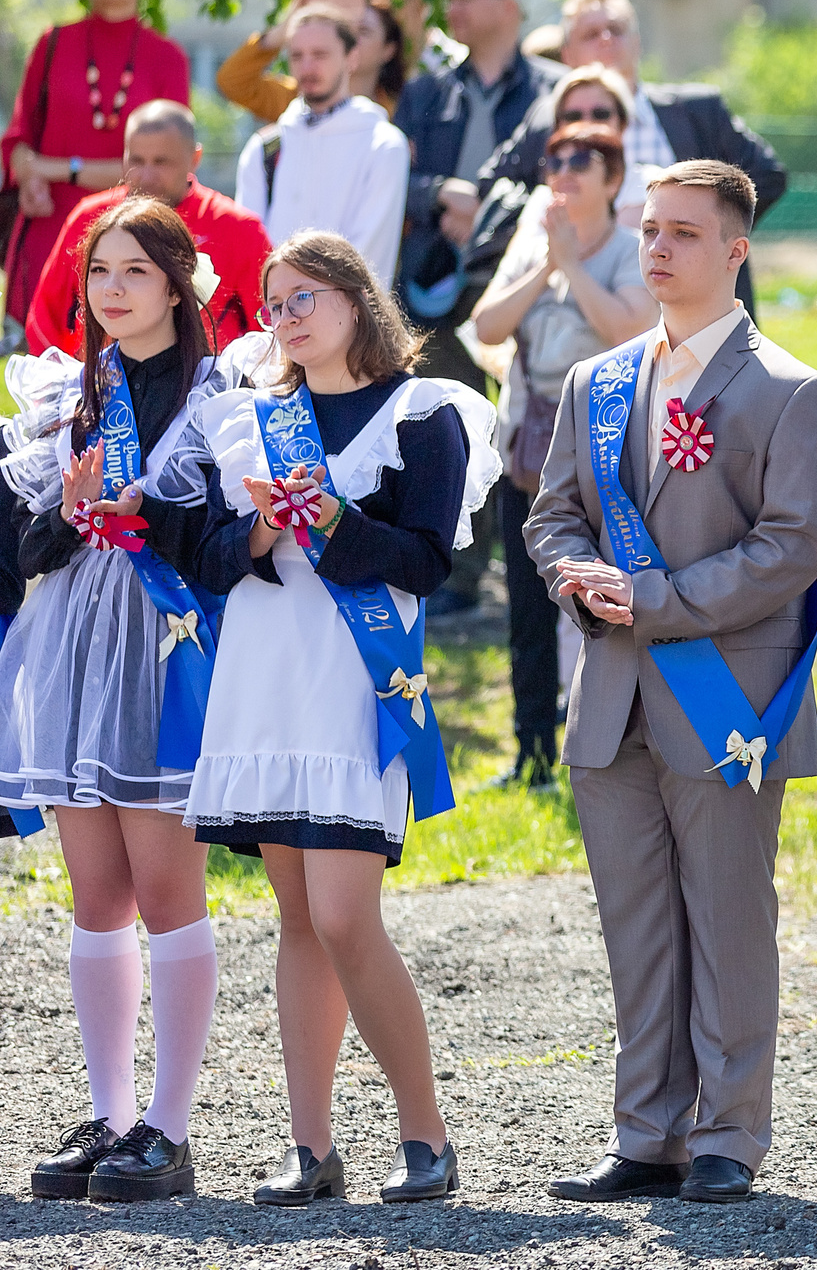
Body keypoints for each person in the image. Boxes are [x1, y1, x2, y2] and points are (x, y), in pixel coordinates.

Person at [169, 228, 499, 1206]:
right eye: (274, 303)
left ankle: (426, 1136)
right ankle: (311, 1148)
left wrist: (336, 523)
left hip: (355, 684)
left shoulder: (424, 413)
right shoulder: (250, 419)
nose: (286, 317)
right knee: (299, 920)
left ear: (358, 299)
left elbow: (427, 563)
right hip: (265, 680)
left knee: (347, 917)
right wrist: (263, 528)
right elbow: (207, 560)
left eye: (304, 297)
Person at [528, 161, 817, 1208]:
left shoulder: (792, 388)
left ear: (737, 249)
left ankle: (728, 1135)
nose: (657, 248)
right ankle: (647, 1134)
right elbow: (553, 515)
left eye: (684, 233)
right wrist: (576, 578)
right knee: (638, 928)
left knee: (728, 920)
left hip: (726, 699)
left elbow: (792, 546)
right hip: (611, 695)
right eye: (650, 229)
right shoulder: (597, 380)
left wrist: (651, 597)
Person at [0, 199, 235, 1203]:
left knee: (168, 887)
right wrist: (68, 515)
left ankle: (170, 1129)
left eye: (135, 270)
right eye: (99, 271)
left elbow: (230, 549)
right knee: (95, 893)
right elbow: (29, 550)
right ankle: (112, 1114)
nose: (112, 289)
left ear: (178, 284)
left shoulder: (220, 398)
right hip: (76, 647)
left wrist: (151, 514)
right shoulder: (69, 396)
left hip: (168, 650)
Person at [466, 72, 655, 789]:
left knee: (599, 600)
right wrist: (546, 261)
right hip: (529, 447)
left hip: (609, 450)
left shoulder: (634, 247)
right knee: (527, 604)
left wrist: (573, 267)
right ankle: (532, 750)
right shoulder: (533, 242)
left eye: (583, 160)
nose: (565, 172)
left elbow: (630, 328)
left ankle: (602, 745)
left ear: (614, 178)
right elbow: (486, 326)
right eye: (555, 160)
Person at [393, 0, 561, 616]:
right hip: (437, 281)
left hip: (524, 281)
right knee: (453, 426)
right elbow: (396, 178)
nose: (452, 7)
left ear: (508, 6)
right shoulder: (425, 93)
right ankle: (460, 575)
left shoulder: (554, 90)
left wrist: (494, 214)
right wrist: (444, 196)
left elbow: (565, 178)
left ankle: (536, 570)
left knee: (530, 424)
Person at [484, 0, 788, 307]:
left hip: (699, 309)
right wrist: (554, 233)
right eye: (591, 34)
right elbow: (497, 186)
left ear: (637, 43)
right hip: (581, 309)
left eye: (616, 29)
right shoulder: (546, 119)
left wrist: (713, 237)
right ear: (567, 54)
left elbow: (767, 175)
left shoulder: (698, 110)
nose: (606, 39)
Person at [4, 0, 192, 327]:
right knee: (38, 348)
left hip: (132, 238)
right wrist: (30, 178)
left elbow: (163, 165)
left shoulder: (167, 58)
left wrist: (55, 169)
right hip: (48, 229)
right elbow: (18, 138)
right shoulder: (52, 43)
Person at [25, 101, 273, 355]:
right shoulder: (89, 218)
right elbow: (45, 317)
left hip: (205, 377)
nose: (147, 175)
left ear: (195, 158)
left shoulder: (238, 228)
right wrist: (63, 376)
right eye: (137, 161)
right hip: (102, 377)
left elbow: (269, 327)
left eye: (161, 162)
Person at [235, 9, 413, 282]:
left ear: (351, 58)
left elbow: (368, 259)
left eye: (320, 55)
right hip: (271, 307)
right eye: (297, 56)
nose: (307, 67)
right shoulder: (264, 148)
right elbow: (249, 251)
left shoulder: (384, 145)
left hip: (352, 307)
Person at [217, 0, 408, 120]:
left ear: (389, 49)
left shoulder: (404, 110)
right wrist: (285, 29)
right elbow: (231, 81)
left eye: (363, 31)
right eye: (344, 29)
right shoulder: (298, 100)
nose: (351, 38)